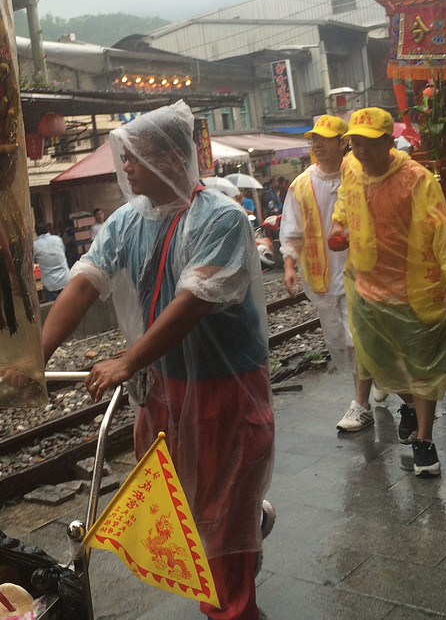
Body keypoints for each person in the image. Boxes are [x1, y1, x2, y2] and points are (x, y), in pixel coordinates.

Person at [38, 101, 274, 619]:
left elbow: (195, 299)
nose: (126, 167)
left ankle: (234, 608)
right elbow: (83, 283)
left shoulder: (222, 218)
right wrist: (38, 354)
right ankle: (246, 520)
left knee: (217, 512)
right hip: (166, 386)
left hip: (223, 389)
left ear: (170, 158)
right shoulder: (128, 221)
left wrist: (127, 360)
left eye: (136, 157)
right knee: (180, 498)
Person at [329, 107, 446, 477]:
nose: (360, 152)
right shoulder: (350, 168)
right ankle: (410, 405)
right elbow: (345, 202)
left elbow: (445, 230)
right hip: (366, 287)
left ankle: (425, 442)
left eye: (368, 145)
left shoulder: (416, 179)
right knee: (380, 362)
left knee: (423, 365)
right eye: (355, 144)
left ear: (388, 143)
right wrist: (340, 226)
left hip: (414, 289)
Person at [280, 114, 386, 433]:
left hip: (360, 271)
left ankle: (361, 403)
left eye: (322, 140)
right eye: (313, 140)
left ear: (343, 143)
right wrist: (288, 265)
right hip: (321, 276)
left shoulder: (360, 175)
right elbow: (292, 230)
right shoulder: (300, 185)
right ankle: (375, 377)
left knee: (357, 338)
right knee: (340, 340)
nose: (316, 145)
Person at [33, 221, 70, 302]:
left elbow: (34, 260)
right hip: (65, 280)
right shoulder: (58, 239)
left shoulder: (35, 246)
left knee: (54, 310)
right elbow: (63, 252)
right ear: (48, 229)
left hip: (50, 284)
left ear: (36, 233)